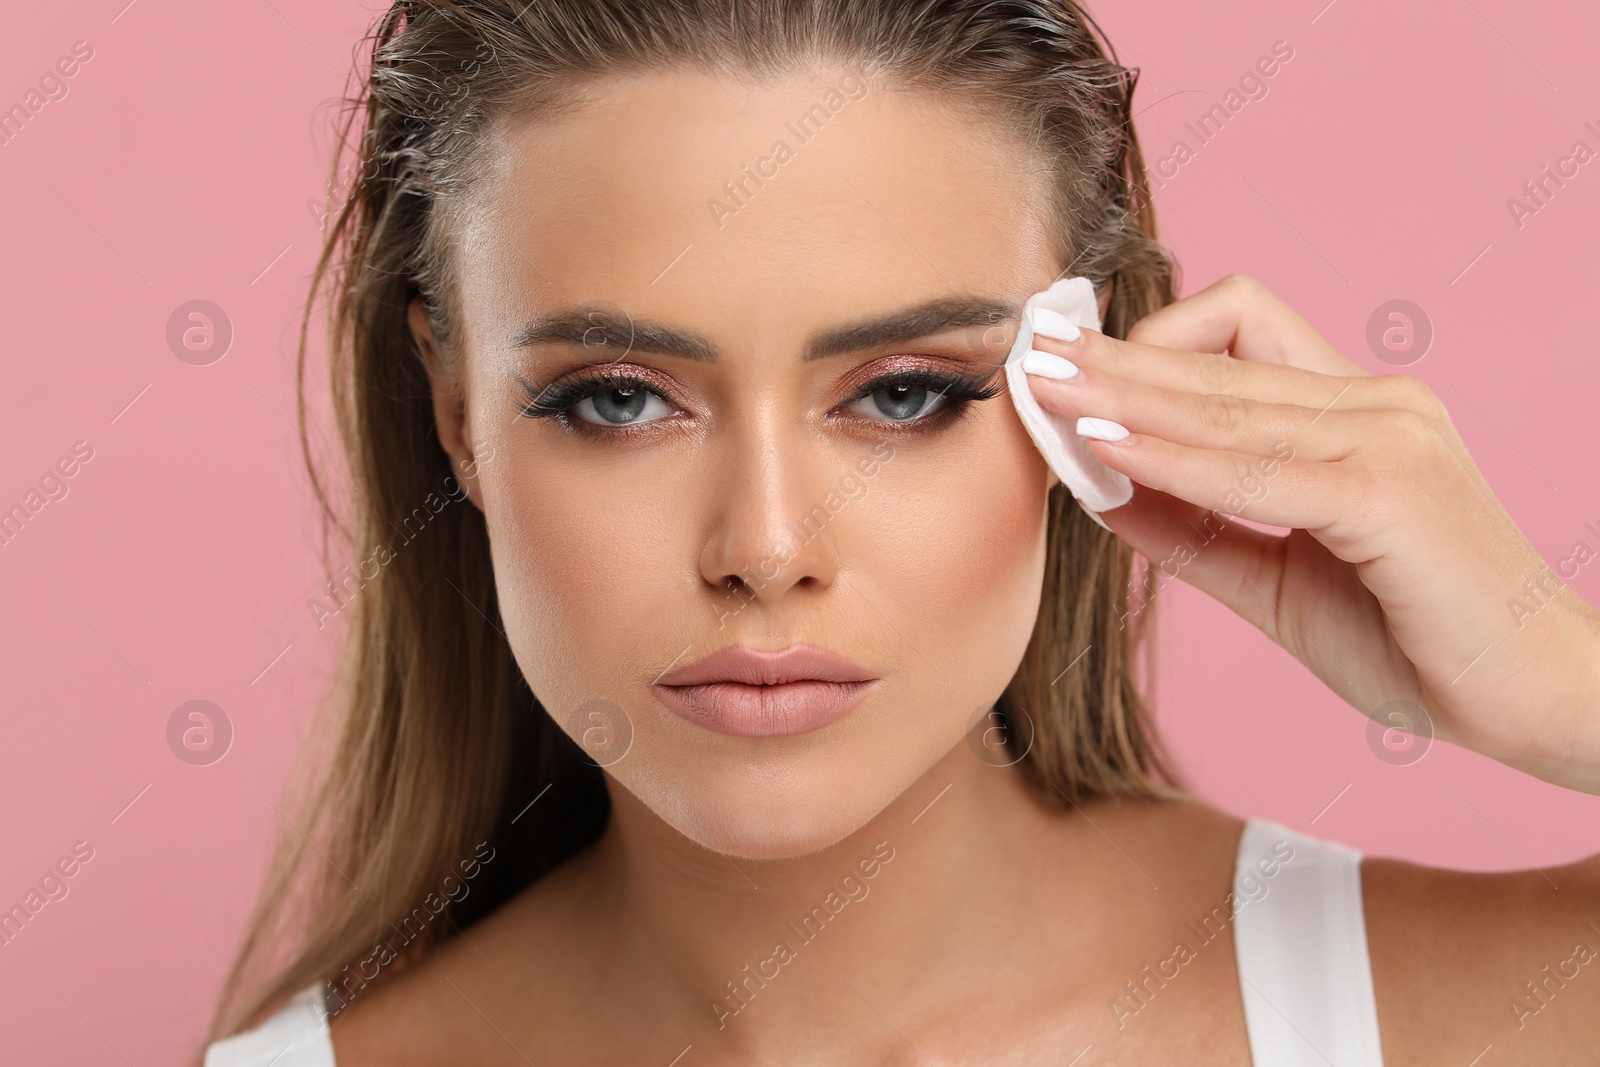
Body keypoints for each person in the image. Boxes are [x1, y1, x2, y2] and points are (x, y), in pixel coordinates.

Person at [202, 1, 1600, 1063]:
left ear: (1083, 385)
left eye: (905, 393)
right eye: (618, 398)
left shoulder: (1464, 1012)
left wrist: (1563, 686)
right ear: (458, 413)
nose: (764, 545)